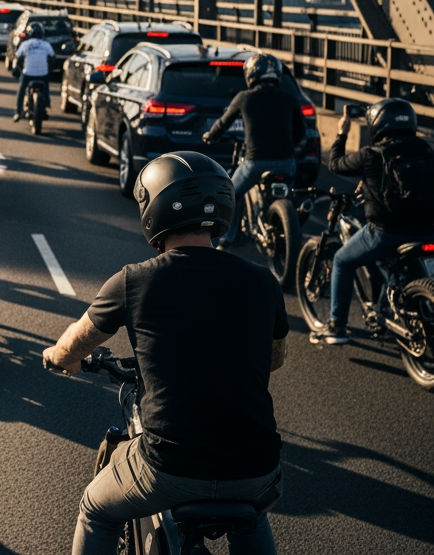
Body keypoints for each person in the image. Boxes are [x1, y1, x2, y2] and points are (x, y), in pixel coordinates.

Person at [43, 151, 286, 555]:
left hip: (169, 471)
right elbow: (274, 359)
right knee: (252, 517)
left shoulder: (134, 281)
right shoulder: (263, 281)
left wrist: (58, 358)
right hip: (257, 470)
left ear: (152, 210)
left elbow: (75, 344)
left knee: (95, 509)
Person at [317, 98, 434, 345]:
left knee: (341, 260)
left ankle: (336, 327)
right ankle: (388, 310)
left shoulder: (371, 155)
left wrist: (342, 132)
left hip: (387, 232)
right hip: (427, 230)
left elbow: (335, 163)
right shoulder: (425, 149)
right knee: (392, 268)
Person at [201, 54, 305, 250]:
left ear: (251, 75)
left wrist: (210, 136)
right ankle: (288, 224)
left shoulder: (244, 97)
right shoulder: (289, 99)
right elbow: (301, 132)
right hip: (287, 162)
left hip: (255, 162)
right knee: (289, 195)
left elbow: (223, 123)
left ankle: (227, 239)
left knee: (231, 194)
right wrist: (290, 147)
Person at [12, 25, 54, 121]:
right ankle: (46, 105)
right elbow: (52, 57)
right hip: (43, 73)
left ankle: (18, 112)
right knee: (46, 88)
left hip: (28, 73)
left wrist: (18, 68)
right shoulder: (46, 44)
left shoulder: (25, 44)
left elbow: (18, 57)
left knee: (22, 90)